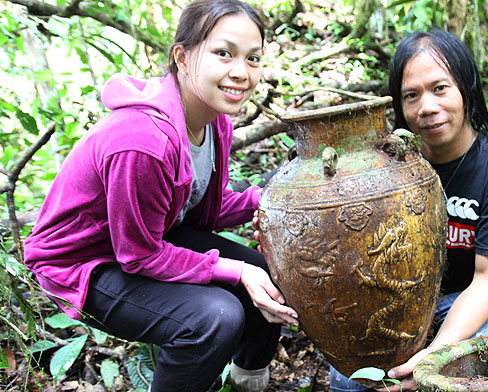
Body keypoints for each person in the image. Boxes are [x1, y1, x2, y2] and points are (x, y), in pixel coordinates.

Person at [23, 1, 298, 391]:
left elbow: (200, 207)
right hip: (84, 261)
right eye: (224, 53)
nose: (241, 72)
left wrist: (270, 201)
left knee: (268, 273)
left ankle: (247, 381)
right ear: (183, 58)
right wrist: (235, 271)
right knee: (215, 317)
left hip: (147, 239)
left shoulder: (214, 122)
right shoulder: (144, 140)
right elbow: (138, 255)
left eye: (253, 58)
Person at [328, 29, 488, 392]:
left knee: (472, 363)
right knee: (348, 383)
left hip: (466, 293)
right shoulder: (383, 167)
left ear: (465, 88)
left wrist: (434, 356)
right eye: (411, 96)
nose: (426, 107)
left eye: (440, 88)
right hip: (397, 295)